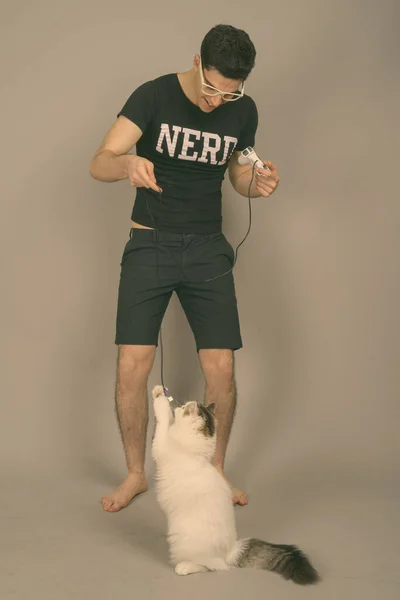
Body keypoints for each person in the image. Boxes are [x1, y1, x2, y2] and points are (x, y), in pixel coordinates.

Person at [89, 24, 279, 512]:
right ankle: (135, 474)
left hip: (207, 250)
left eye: (231, 92)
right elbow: (100, 161)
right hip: (149, 244)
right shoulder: (153, 95)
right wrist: (128, 163)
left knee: (222, 367)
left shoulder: (243, 109)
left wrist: (252, 184)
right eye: (213, 88)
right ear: (197, 61)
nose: (219, 101)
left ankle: (215, 471)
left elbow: (237, 174)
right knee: (133, 363)